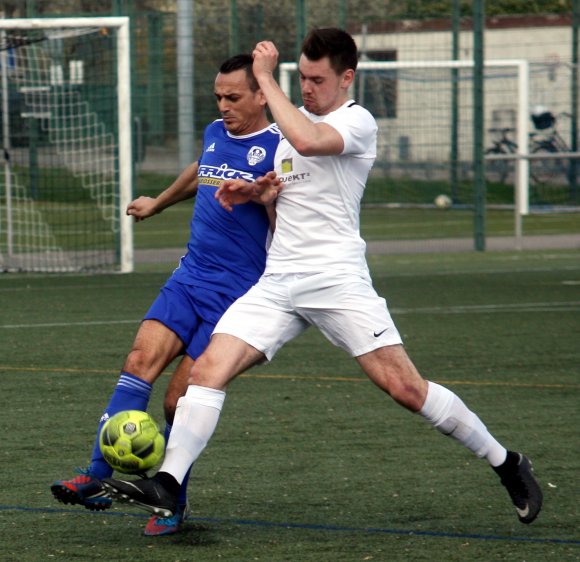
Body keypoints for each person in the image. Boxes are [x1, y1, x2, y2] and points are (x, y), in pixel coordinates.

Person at [102, 28, 543, 526]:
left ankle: (506, 462)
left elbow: (311, 143)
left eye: (316, 79)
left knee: (405, 389)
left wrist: (266, 79)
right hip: (277, 282)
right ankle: (169, 482)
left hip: (336, 280)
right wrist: (259, 194)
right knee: (206, 372)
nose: (307, 88)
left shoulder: (357, 121)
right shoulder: (295, 127)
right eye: (303, 78)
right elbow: (292, 192)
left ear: (346, 77)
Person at [50, 54, 282, 536]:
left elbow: (295, 228)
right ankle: (96, 476)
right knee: (139, 361)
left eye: (233, 97)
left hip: (239, 296)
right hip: (190, 277)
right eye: (217, 96)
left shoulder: (282, 149)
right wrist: (157, 203)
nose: (223, 106)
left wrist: (268, 201)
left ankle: (171, 501)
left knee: (180, 401)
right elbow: (202, 169)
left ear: (262, 94)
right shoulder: (215, 131)